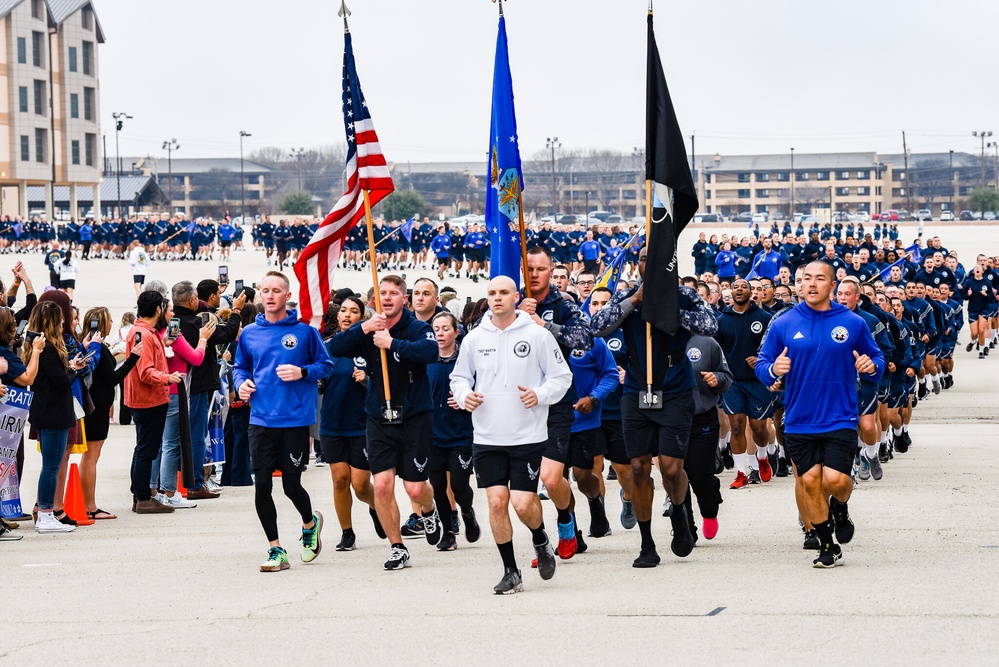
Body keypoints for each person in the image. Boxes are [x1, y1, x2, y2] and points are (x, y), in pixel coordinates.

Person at [590, 247, 719, 568]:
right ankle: (647, 543)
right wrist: (635, 301)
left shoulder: (685, 295)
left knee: (673, 468)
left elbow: (710, 324)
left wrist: (673, 310)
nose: (650, 262)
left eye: (656, 257)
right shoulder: (628, 296)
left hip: (675, 390)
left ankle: (679, 510)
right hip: (636, 391)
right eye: (645, 258)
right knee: (637, 468)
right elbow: (597, 326)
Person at [755, 261, 884, 567]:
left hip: (839, 416)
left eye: (819, 279)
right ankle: (828, 546)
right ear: (799, 285)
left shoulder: (852, 323)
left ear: (831, 285)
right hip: (799, 418)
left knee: (836, 481)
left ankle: (840, 506)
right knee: (810, 481)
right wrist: (773, 370)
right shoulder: (784, 323)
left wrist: (871, 367)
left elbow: (876, 358)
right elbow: (763, 363)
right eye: (806, 279)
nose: (811, 284)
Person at [450, 276, 572, 594]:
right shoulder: (475, 338)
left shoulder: (536, 335)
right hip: (487, 436)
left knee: (521, 504)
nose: (497, 298)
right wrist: (465, 397)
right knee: (495, 502)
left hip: (527, 435)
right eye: (492, 293)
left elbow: (562, 377)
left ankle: (540, 537)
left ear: (515, 297)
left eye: (504, 292)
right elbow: (459, 378)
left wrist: (540, 394)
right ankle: (510, 571)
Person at [327, 275, 444, 571]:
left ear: (404, 299)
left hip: (415, 416)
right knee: (381, 485)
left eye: (394, 293)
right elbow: (333, 349)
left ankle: (429, 511)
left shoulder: (416, 327)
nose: (388, 298)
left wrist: (392, 343)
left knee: (415, 489)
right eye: (382, 294)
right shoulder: (367, 330)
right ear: (373, 301)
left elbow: (431, 352)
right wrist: (365, 327)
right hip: (379, 417)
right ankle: (397, 546)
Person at [234, 271, 334, 572]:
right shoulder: (250, 333)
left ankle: (309, 523)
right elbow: (240, 367)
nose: (269, 295)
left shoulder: (304, 332)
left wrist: (303, 372)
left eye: (276, 290)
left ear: (287, 295)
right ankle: (275, 549)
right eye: (265, 290)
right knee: (262, 484)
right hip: (261, 418)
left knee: (291, 485)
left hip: (293, 418)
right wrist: (241, 384)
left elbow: (326, 365)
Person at [319, 296, 383, 551]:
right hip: (332, 421)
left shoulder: (371, 347)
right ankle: (347, 532)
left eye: (353, 311)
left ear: (362, 317)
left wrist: (367, 379)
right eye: (343, 310)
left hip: (362, 423)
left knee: (359, 484)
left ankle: (377, 507)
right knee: (339, 480)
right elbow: (318, 375)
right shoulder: (327, 346)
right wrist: (317, 381)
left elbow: (384, 384)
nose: (346, 314)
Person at [172, 280, 245, 499]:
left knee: (170, 439)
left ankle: (167, 484)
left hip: (174, 384)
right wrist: (236, 310)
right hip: (197, 384)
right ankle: (194, 483)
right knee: (196, 434)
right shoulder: (198, 324)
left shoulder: (172, 323)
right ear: (193, 300)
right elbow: (228, 334)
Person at [25, 301, 88, 533]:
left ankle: (47, 512)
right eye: (60, 319)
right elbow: (61, 383)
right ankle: (45, 514)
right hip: (52, 412)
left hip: (50, 411)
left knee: (51, 465)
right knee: (51, 466)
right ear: (52, 322)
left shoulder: (43, 348)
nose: (63, 322)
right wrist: (72, 370)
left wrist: (70, 366)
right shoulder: (48, 350)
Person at [426, 311, 481, 552]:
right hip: (431, 433)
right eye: (436, 329)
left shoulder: (467, 361)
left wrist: (464, 398)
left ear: (456, 332)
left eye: (445, 328)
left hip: (461, 432)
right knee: (437, 485)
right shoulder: (425, 359)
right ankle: (448, 532)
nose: (440, 333)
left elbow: (482, 389)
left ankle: (467, 512)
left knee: (459, 485)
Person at [126, 291, 185, 514]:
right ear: (158, 310)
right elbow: (145, 371)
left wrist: (163, 341)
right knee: (146, 450)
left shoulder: (144, 332)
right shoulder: (143, 333)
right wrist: (167, 377)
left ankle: (140, 494)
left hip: (145, 399)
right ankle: (142, 496)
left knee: (145, 449)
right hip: (148, 400)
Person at [80, 307, 142, 520]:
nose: (111, 323)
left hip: (95, 405)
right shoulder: (95, 346)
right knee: (91, 456)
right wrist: (133, 359)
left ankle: (88, 504)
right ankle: (90, 505)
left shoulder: (92, 344)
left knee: (90, 456)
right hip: (96, 407)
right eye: (108, 320)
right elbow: (111, 379)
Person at [715, 278, 776, 488]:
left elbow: (776, 349)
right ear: (730, 292)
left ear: (752, 293)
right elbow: (717, 352)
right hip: (733, 382)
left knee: (759, 429)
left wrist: (761, 361)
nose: (739, 289)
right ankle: (741, 472)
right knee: (737, 426)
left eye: (744, 287)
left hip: (758, 382)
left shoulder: (765, 318)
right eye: (735, 287)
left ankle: (762, 456)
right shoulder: (721, 319)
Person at [684, 334, 733, 540]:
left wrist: (716, 379)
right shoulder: (655, 339)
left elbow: (726, 377)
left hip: (702, 416)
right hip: (668, 417)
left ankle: (709, 510)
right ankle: (685, 529)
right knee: (676, 474)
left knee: (699, 475)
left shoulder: (706, 342)